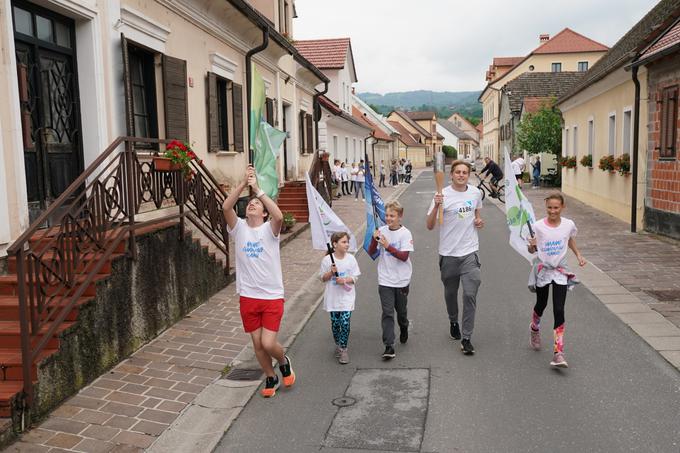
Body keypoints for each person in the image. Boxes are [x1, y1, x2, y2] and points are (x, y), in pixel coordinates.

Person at [222, 165, 295, 397]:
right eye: (251, 203)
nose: (253, 204)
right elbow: (225, 207)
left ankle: (283, 361)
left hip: (272, 295)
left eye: (258, 205)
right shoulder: (239, 228)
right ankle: (271, 377)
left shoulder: (269, 230)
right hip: (248, 295)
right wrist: (244, 184)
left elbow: (280, 216)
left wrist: (259, 190)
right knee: (256, 343)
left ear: (264, 213)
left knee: (267, 342)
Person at [426, 160, 484, 355]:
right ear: (451, 174)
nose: (461, 175)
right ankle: (453, 320)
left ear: (469, 175)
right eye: (458, 172)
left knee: (469, 294)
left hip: (469, 252)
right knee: (451, 294)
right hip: (448, 254)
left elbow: (477, 213)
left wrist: (478, 220)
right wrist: (435, 206)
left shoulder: (475, 193)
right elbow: (430, 225)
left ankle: (466, 338)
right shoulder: (442, 195)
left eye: (465, 172)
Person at [527, 193, 586, 368]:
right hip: (544, 270)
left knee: (559, 309)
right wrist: (532, 245)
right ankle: (534, 327)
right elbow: (531, 251)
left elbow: (570, 240)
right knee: (541, 304)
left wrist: (579, 255)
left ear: (562, 208)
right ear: (546, 207)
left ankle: (558, 352)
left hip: (560, 271)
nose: (552, 211)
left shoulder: (568, 225)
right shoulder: (537, 226)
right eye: (550, 208)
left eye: (556, 208)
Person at [368, 201, 414, 360]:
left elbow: (404, 257)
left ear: (400, 217)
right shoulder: (381, 230)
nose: (388, 218)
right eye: (387, 215)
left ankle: (404, 326)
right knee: (387, 313)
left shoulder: (405, 234)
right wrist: (374, 240)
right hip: (385, 279)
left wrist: (387, 246)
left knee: (401, 312)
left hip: (401, 280)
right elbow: (372, 252)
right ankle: (389, 346)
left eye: (392, 216)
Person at [319, 232, 361, 364]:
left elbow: (355, 277)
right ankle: (338, 344)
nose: (347, 244)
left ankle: (343, 349)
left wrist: (345, 280)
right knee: (336, 324)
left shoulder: (351, 259)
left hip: (347, 298)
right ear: (335, 244)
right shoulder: (327, 260)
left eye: (347, 242)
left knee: (345, 323)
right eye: (343, 242)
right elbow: (322, 278)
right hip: (333, 298)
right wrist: (330, 273)